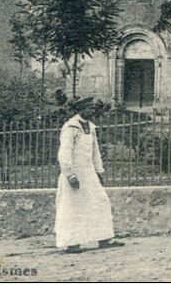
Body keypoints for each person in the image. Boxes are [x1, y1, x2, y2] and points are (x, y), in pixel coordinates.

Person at [55, 97, 124, 252]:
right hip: (75, 174)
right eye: (89, 108)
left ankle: (104, 238)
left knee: (100, 201)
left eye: (93, 108)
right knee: (72, 206)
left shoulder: (91, 127)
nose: (93, 111)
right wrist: (70, 174)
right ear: (81, 110)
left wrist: (99, 171)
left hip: (89, 173)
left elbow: (95, 152)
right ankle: (72, 243)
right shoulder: (70, 127)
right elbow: (64, 153)